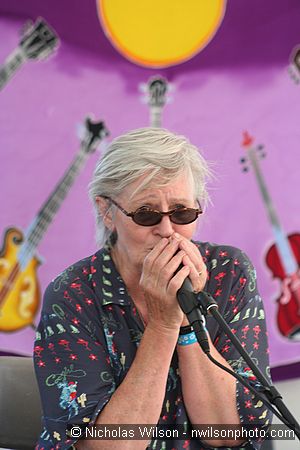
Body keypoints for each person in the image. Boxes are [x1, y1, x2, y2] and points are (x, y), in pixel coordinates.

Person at [34, 127, 272, 450]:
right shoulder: (72, 294)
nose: (167, 230)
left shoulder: (229, 272)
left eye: (181, 212)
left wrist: (188, 318)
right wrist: (162, 325)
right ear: (107, 211)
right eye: (146, 214)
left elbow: (227, 432)